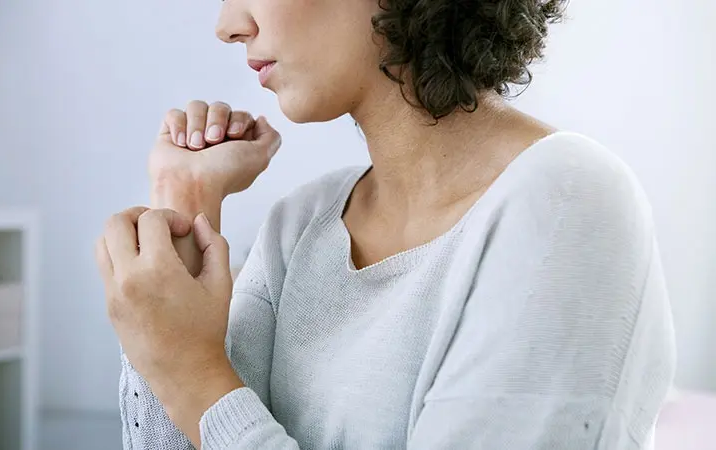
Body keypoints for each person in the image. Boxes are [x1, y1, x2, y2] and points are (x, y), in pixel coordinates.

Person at [95, 0, 677, 448]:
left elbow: (198, 392)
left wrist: (194, 376)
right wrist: (186, 203)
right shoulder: (301, 226)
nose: (228, 23)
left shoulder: (568, 199)